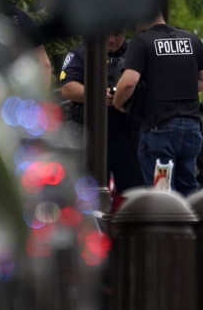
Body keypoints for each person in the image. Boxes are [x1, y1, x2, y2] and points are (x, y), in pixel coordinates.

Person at [113, 12, 203, 196]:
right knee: (188, 190)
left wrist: (118, 102)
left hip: (160, 130)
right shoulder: (191, 39)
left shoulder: (142, 41)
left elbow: (129, 82)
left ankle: (165, 225)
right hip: (191, 129)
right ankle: (189, 224)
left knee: (161, 191)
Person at [58, 29, 146, 193]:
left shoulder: (137, 50)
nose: (112, 39)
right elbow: (67, 88)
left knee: (134, 196)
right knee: (91, 195)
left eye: (118, 33)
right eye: (107, 33)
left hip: (130, 136)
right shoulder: (81, 53)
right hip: (92, 137)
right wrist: (96, 95)